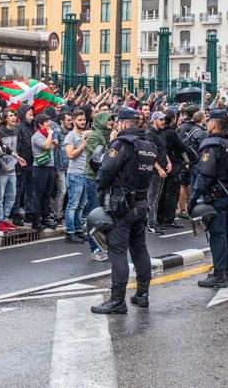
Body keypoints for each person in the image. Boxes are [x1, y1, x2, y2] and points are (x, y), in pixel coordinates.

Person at [92, 108, 157, 314]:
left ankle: (117, 300)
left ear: (122, 123)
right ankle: (142, 294)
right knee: (140, 249)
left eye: (117, 122)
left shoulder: (122, 144)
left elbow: (106, 170)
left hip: (122, 206)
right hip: (140, 203)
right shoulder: (148, 144)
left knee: (117, 251)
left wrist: (101, 187)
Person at [188, 110, 228, 288]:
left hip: (218, 196)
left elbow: (204, 175)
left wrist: (193, 199)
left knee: (217, 236)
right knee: (227, 234)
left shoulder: (212, 145)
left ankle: (219, 275)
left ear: (214, 124)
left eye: (209, 120)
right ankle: (226, 271)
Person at [84, 111, 113, 260]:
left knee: (104, 214)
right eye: (108, 119)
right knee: (94, 215)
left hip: (103, 179)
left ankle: (104, 246)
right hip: (92, 178)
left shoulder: (107, 136)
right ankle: (94, 249)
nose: (111, 121)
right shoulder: (95, 136)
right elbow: (98, 158)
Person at [64, 107, 89, 243]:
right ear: (74, 121)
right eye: (79, 120)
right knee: (73, 205)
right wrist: (84, 144)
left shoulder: (85, 133)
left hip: (85, 173)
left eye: (84, 119)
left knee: (81, 205)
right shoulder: (71, 136)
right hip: (75, 174)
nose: (82, 122)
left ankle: (79, 230)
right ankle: (70, 232)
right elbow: (70, 155)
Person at [145, 112, 170, 234]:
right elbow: (150, 154)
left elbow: (163, 150)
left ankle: (153, 221)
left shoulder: (161, 133)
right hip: (154, 171)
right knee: (152, 198)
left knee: (157, 197)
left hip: (162, 169)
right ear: (154, 120)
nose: (163, 122)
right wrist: (159, 169)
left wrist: (168, 162)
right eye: (161, 119)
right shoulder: (149, 134)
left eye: (164, 119)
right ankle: (151, 223)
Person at [31, 113, 56, 231]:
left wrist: (53, 140)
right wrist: (51, 135)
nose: (49, 124)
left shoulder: (48, 134)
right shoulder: (37, 136)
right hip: (40, 167)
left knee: (47, 194)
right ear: (40, 124)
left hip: (50, 166)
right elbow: (46, 146)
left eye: (49, 121)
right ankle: (36, 221)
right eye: (46, 122)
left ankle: (45, 219)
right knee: (38, 194)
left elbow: (53, 147)